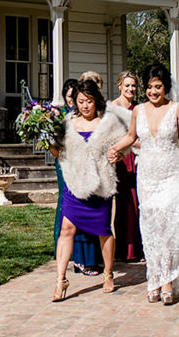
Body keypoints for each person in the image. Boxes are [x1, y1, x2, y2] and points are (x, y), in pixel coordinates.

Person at [109, 63, 179, 305]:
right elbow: (131, 138)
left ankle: (168, 281)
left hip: (172, 175)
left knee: (168, 229)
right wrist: (113, 148)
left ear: (166, 88)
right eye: (150, 87)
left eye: (158, 87)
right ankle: (154, 279)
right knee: (151, 230)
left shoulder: (177, 109)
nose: (153, 92)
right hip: (147, 177)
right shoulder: (138, 111)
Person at [51, 79, 129, 302]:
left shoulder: (108, 122)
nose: (85, 106)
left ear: (97, 101)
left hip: (100, 185)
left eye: (90, 101)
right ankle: (60, 280)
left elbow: (123, 145)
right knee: (66, 229)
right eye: (81, 101)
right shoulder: (66, 122)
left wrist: (119, 154)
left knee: (104, 230)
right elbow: (60, 154)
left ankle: (108, 273)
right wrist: (48, 144)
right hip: (74, 184)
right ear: (75, 102)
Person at [53, 78, 103, 275]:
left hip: (94, 175)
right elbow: (59, 150)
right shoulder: (66, 121)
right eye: (77, 100)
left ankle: (96, 261)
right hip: (72, 174)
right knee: (71, 220)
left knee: (95, 219)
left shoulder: (100, 121)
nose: (81, 105)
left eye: (86, 100)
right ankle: (75, 262)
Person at [109, 70, 144, 263]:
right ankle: (123, 249)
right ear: (119, 86)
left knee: (138, 203)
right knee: (124, 204)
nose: (130, 89)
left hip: (139, 159)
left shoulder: (139, 108)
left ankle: (138, 248)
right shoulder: (112, 108)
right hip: (122, 158)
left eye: (133, 86)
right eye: (127, 85)